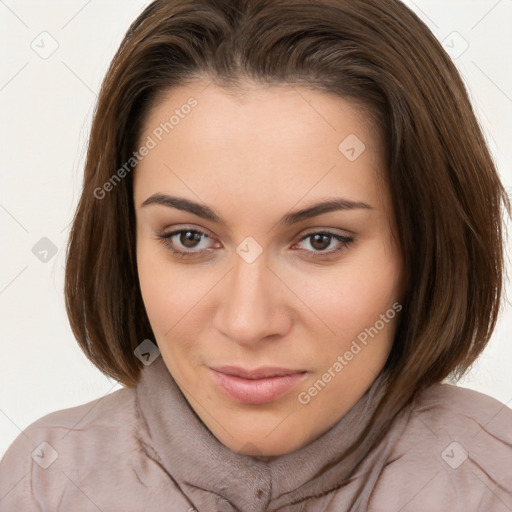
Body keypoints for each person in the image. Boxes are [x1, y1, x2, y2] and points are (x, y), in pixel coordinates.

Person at [1, 0, 511, 510]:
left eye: (321, 241)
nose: (248, 323)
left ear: (424, 246)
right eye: (189, 238)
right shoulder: (43, 486)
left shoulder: (493, 481)